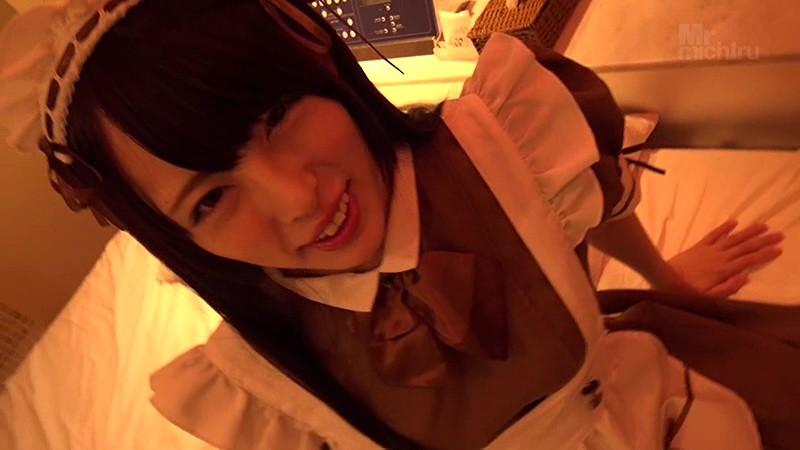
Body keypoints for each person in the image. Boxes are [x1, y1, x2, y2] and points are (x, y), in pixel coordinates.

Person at [0, 0, 797, 448]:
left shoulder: (504, 135)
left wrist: (667, 280)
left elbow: (598, 195)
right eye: (210, 201)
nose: (296, 198)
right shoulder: (258, 388)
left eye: (278, 118)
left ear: (316, 55)